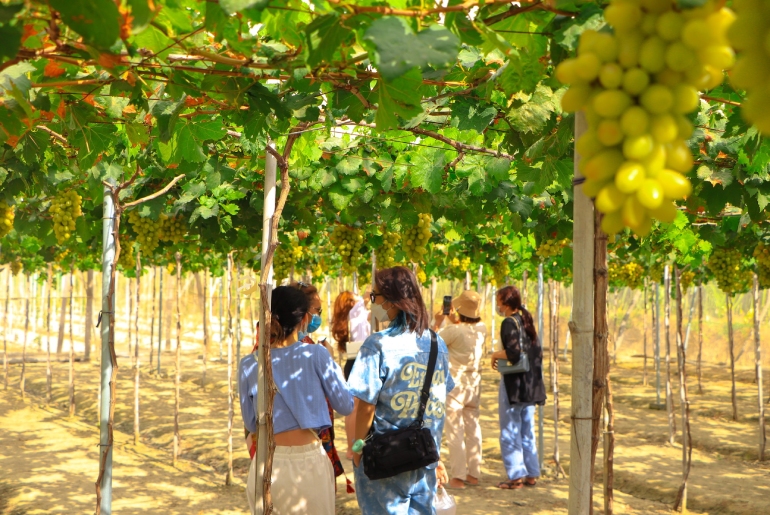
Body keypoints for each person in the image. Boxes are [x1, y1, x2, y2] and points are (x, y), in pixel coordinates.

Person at [239, 286, 354, 514]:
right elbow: (345, 405)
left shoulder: (249, 363)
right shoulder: (317, 354)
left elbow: (251, 424)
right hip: (308, 464)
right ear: (303, 320)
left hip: (266, 463)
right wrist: (331, 363)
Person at [348, 266, 454, 514]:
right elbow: (439, 401)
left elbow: (365, 407)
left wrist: (357, 448)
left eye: (374, 296)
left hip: (387, 458)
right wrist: (436, 456)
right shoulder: (437, 343)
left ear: (393, 301)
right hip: (424, 456)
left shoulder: (377, 345)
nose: (372, 303)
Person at [489, 285, 546, 490]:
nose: (497, 305)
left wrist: (495, 354)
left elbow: (513, 354)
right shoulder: (526, 321)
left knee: (510, 431)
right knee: (527, 431)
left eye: (498, 301)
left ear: (505, 303)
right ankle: (531, 474)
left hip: (514, 384)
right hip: (530, 385)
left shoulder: (509, 323)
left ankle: (515, 477)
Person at [433, 290, 487, 490]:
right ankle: (474, 474)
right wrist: (453, 319)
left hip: (455, 386)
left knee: (455, 430)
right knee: (473, 428)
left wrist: (438, 321)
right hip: (474, 384)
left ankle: (457, 477)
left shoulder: (453, 331)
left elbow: (432, 343)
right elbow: (463, 328)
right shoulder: (481, 328)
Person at [332, 289, 373, 459]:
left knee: (354, 406)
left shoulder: (354, 317)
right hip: (359, 361)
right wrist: (366, 295)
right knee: (356, 407)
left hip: (354, 360)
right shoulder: (356, 313)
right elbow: (362, 306)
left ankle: (352, 446)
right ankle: (352, 447)